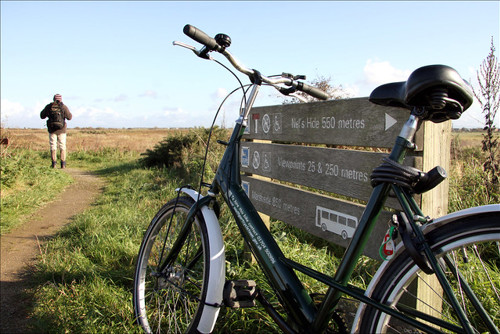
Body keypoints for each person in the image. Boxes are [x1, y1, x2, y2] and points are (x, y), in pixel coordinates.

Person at [40, 94, 73, 168]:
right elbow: (69, 117)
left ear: (53, 99)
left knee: (53, 146)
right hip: (62, 130)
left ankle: (54, 163)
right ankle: (63, 163)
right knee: (62, 146)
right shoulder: (63, 107)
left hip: (52, 130)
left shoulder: (49, 106)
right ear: (61, 100)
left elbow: (42, 116)